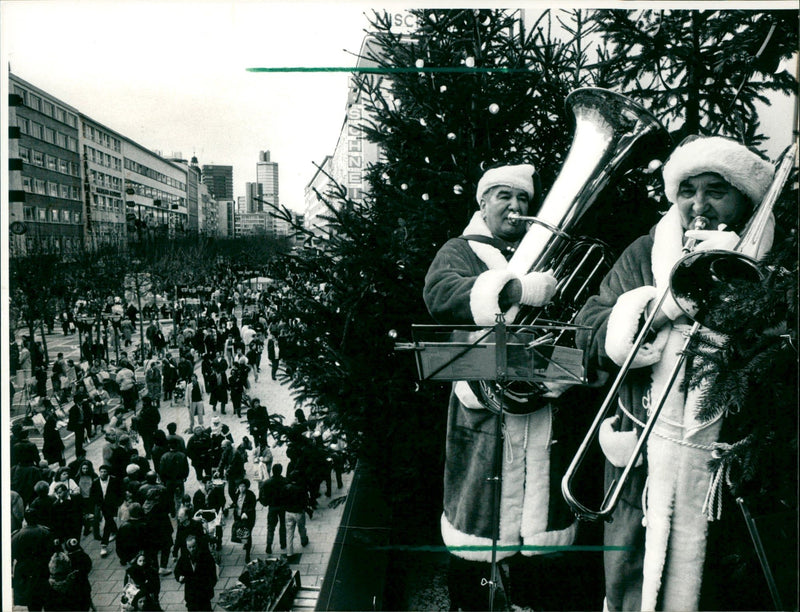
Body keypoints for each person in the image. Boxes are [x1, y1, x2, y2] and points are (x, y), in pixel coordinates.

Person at [574, 135, 777, 611]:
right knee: (627, 574)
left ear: (743, 201)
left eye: (715, 190)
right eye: (688, 190)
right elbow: (589, 329)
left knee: (723, 583)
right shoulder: (645, 251)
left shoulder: (772, 261)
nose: (698, 204)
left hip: (727, 465)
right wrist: (661, 309)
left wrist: (737, 282)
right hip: (640, 453)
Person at [422, 164, 579, 610]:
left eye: (523, 199)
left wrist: (561, 372)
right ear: (482, 202)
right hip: (482, 413)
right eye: (503, 197)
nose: (515, 207)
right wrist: (515, 289)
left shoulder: (547, 251)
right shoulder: (460, 249)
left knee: (539, 538)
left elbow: (571, 324)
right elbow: (440, 295)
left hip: (542, 410)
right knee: (476, 533)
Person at [12, 508, 57, 611]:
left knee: (32, 602)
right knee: (47, 599)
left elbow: (13, 554)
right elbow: (53, 550)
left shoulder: (16, 535)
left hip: (26, 572)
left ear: (26, 519)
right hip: (43, 569)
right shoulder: (45, 532)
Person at [174, 534, 218, 612]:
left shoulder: (205, 556)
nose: (192, 549)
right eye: (189, 547)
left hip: (204, 591)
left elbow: (212, 573)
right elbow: (177, 570)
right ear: (186, 547)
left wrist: (209, 586)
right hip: (191, 592)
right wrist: (179, 577)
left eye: (193, 546)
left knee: (206, 609)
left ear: (197, 545)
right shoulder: (184, 557)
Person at [259, 463, 288, 555]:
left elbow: (261, 496)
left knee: (270, 527)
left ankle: (269, 545)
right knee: (283, 525)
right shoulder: (285, 481)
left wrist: (265, 503)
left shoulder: (267, 482)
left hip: (272, 507)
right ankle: (283, 543)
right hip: (283, 506)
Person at [94, 463, 121, 558]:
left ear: (108, 473)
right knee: (109, 521)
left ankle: (104, 545)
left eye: (105, 472)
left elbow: (120, 491)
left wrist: (119, 502)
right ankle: (116, 532)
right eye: (101, 472)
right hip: (103, 506)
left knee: (108, 522)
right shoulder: (96, 482)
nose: (103, 473)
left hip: (113, 504)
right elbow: (94, 495)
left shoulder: (114, 480)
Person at [158, 439, 190, 517]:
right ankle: (181, 512)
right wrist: (184, 477)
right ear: (177, 446)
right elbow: (186, 468)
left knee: (170, 497)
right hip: (179, 480)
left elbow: (161, 470)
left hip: (169, 481)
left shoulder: (164, 456)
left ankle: (173, 512)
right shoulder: (182, 455)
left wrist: (163, 480)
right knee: (179, 498)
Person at [283, 474, 310, 558]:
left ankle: (289, 552)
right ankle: (303, 540)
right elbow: (306, 500)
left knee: (289, 533)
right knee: (301, 528)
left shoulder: (286, 488)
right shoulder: (301, 489)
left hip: (288, 512)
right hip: (299, 512)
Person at [231, 478, 257, 562]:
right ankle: (245, 543)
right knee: (241, 532)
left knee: (247, 535)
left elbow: (252, 506)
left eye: (243, 486)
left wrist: (246, 513)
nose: (241, 488)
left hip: (248, 519)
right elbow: (235, 503)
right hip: (238, 518)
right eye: (240, 486)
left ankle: (247, 554)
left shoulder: (250, 495)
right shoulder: (236, 494)